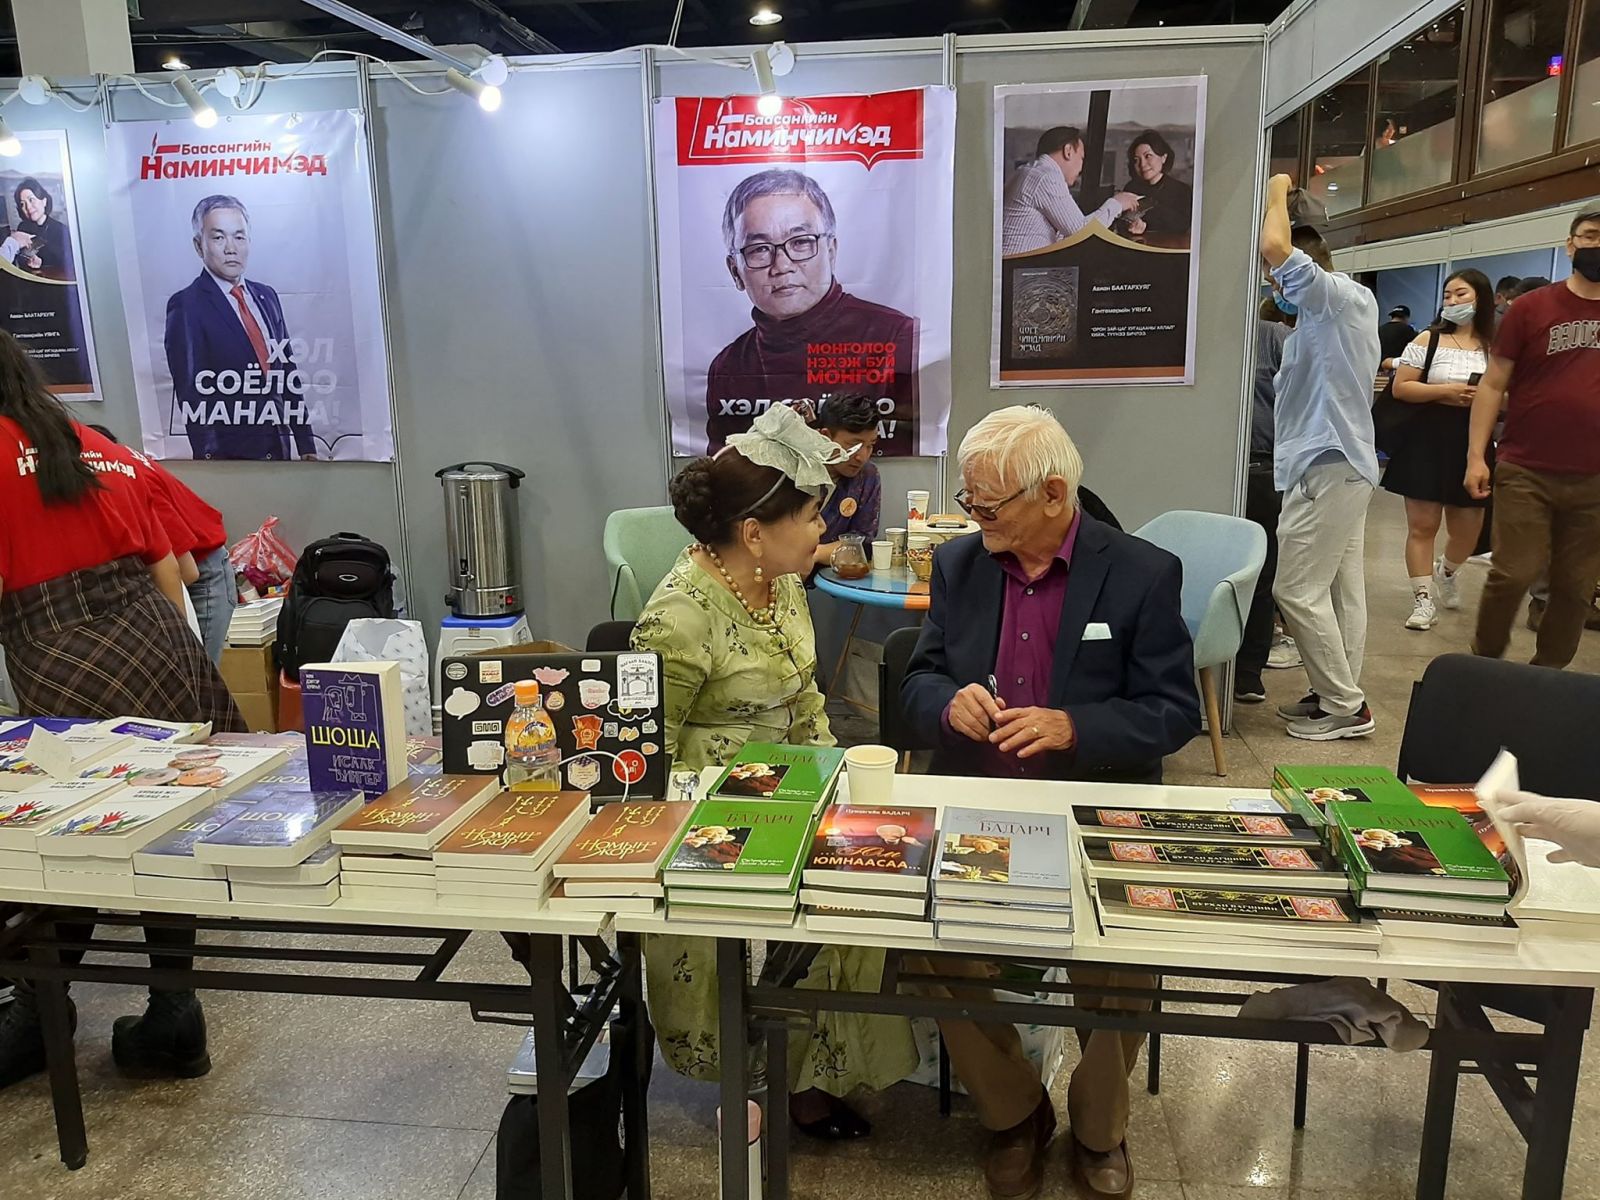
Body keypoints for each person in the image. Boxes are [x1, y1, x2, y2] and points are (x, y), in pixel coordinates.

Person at [901, 406, 1200, 1200]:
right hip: (979, 809)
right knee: (925, 948)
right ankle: (1014, 1112)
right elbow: (919, 679)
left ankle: (1099, 1127)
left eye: (988, 504)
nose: (974, 517)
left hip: (1092, 809)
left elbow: (1174, 712)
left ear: (1055, 493)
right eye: (968, 501)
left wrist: (1077, 727)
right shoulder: (961, 566)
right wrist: (946, 705)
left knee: (1127, 960)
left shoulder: (1140, 572)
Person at [629, 404, 916, 1139]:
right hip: (712, 812)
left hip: (796, 781)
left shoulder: (781, 580)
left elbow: (805, 693)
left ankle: (803, 1071)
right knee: (771, 910)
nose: (823, 530)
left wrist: (837, 775)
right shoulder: (678, 619)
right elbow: (645, 757)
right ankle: (752, 1070)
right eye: (812, 516)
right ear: (754, 532)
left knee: (862, 888)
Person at [0, 330, 243, 1091]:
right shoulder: (90, 443)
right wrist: (185, 666)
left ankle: (39, 1017)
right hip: (155, 635)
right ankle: (174, 1013)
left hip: (59, 650)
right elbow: (172, 570)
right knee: (164, 827)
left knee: (66, 841)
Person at [1259, 175, 1381, 741]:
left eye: (1278, 279)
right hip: (1337, 465)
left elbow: (1274, 246)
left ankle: (1345, 705)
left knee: (1296, 590)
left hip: (1330, 465)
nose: (1274, 285)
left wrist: (1277, 187)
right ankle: (1335, 690)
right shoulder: (1322, 320)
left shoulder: (1337, 299)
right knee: (1338, 590)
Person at [1466, 209, 1600, 669]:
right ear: (1570, 244)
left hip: (1594, 479)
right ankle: (1485, 662)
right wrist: (1477, 456)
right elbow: (1492, 384)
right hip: (1527, 467)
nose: (1597, 246)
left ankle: (1547, 678)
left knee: (1575, 587)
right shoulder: (1531, 308)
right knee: (1513, 572)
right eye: (1591, 236)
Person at [704, 170, 917, 454]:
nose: (782, 266)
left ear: (831, 250)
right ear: (735, 271)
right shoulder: (728, 367)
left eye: (801, 242)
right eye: (759, 249)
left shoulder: (899, 336)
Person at [164, 194, 318, 462]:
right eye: (218, 237)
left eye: (239, 237)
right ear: (199, 245)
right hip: (231, 458)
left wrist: (306, 444)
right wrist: (212, 462)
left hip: (280, 449)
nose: (231, 248)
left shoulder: (267, 296)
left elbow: (287, 375)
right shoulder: (187, 305)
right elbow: (192, 395)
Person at [1382, 269, 1495, 632]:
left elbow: (1509, 394)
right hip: (1425, 439)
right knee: (1422, 525)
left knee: (1469, 528)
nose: (1453, 301)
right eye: (1448, 295)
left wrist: (1486, 398)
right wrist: (1446, 392)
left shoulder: (1495, 346)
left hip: (1474, 440)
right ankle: (1422, 599)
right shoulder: (1427, 339)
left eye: (1461, 294)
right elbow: (1402, 387)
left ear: (1481, 298)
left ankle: (1446, 571)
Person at [89, 425, 235, 662]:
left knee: (196, 670)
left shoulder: (131, 479)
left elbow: (187, 572)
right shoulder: (122, 463)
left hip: (203, 573)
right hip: (185, 566)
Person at [1236, 299, 1293, 703]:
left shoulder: (1272, 336)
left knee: (1259, 570)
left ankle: (1247, 670)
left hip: (1261, 466)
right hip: (1205, 464)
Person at [1001, 126, 1141, 256]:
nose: (1081, 168)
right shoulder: (1046, 177)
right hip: (1024, 270)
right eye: (1081, 158)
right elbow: (1080, 232)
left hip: (1017, 266)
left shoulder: (1026, 172)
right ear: (1068, 151)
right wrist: (1117, 203)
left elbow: (1065, 232)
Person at [810, 392, 882, 573]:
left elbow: (863, 544)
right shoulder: (795, 471)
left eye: (870, 445)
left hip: (833, 577)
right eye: (854, 445)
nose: (862, 457)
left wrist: (816, 554)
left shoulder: (868, 476)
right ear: (825, 437)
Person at [1115, 129, 1193, 243]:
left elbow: (1182, 226)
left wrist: (1146, 225)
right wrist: (1130, 225)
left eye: (1148, 156)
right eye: (1136, 160)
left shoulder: (1182, 190)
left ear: (1163, 158)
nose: (1142, 164)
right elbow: (1121, 221)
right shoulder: (1131, 188)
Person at [1, 177, 73, 276]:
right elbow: (19, 257)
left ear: (44, 201)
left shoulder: (61, 230)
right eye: (22, 204)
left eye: (31, 200)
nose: (28, 207)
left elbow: (67, 261)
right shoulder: (22, 227)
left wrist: (42, 261)